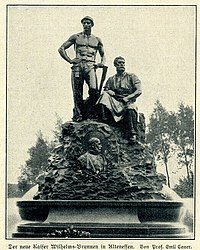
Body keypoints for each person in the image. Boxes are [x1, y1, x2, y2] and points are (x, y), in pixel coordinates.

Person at [58, 16, 106, 122]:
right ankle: (78, 114)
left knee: (94, 90)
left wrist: (101, 63)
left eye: (88, 23)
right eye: (84, 23)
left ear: (92, 25)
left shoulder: (97, 40)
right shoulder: (76, 37)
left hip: (91, 66)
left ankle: (90, 112)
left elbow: (103, 55)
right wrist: (70, 60)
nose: (86, 25)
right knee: (77, 91)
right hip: (78, 65)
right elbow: (61, 49)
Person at [98, 56, 142, 142]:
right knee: (104, 95)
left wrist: (128, 97)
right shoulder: (111, 79)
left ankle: (132, 134)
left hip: (127, 101)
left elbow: (139, 90)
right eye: (119, 63)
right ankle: (104, 120)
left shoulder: (131, 76)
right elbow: (106, 89)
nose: (122, 65)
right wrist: (109, 91)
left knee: (131, 108)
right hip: (115, 102)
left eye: (123, 63)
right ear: (115, 65)